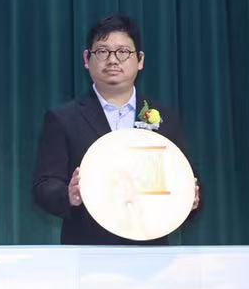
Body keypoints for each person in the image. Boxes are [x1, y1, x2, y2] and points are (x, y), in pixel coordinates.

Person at [32, 13, 199, 245]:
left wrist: (190, 200)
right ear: (87, 59)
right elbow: (44, 186)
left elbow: (185, 179)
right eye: (102, 51)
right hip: (88, 248)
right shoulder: (63, 119)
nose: (113, 60)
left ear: (140, 60)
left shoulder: (165, 119)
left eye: (123, 52)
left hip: (151, 250)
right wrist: (68, 195)